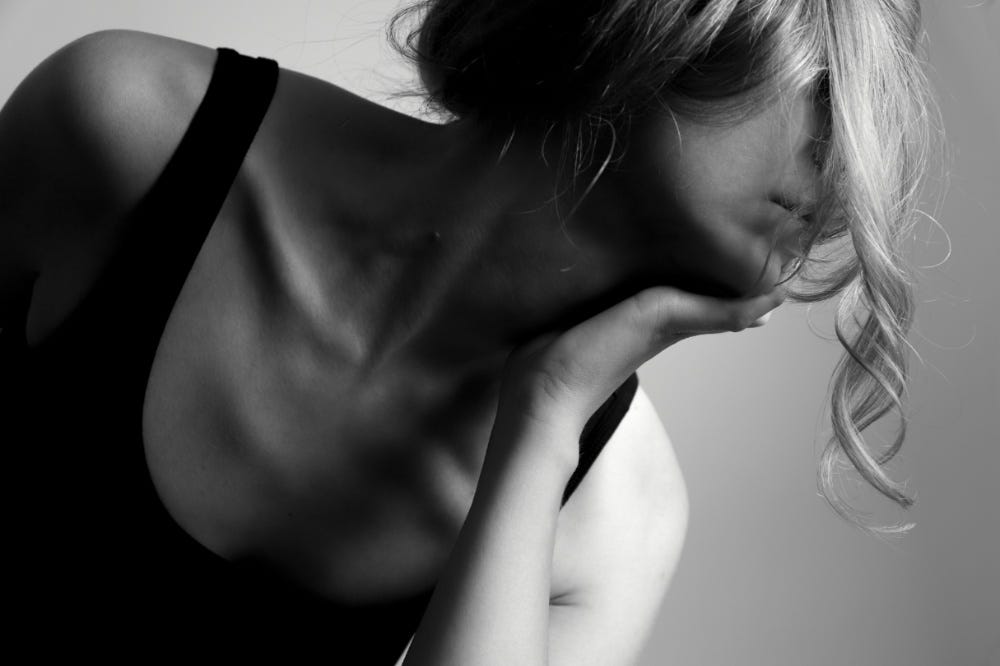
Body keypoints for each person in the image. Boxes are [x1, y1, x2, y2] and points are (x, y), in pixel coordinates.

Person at [0, 0, 933, 662]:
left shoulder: (617, 509)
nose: (842, 161)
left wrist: (547, 414)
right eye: (823, 79)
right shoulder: (127, 127)